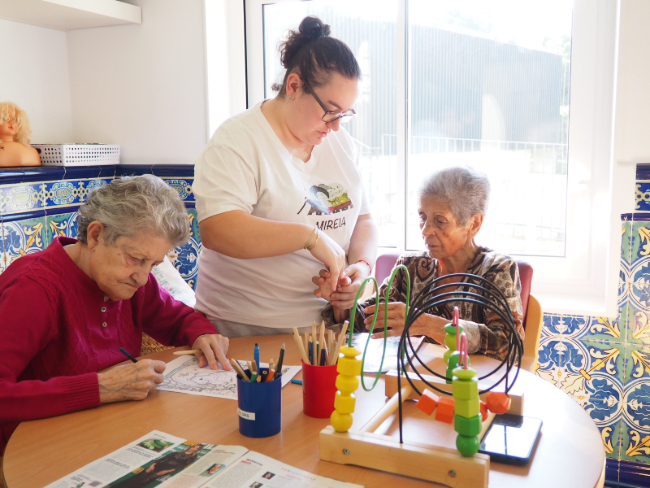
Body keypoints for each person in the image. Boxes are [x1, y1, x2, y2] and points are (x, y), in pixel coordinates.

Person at [0, 175, 230, 455]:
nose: (144, 278)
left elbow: (179, 319)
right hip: (38, 450)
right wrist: (99, 387)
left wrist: (202, 333)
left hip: (110, 434)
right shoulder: (34, 289)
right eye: (136, 258)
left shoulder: (129, 282)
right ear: (96, 235)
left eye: (154, 264)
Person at [193, 16, 378, 337]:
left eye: (345, 115)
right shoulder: (238, 139)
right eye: (330, 110)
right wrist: (309, 237)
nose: (336, 126)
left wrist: (361, 268)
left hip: (325, 324)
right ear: (294, 86)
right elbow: (217, 229)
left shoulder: (339, 142)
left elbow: (364, 219)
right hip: (246, 327)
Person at [318, 166, 525, 361]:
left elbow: (510, 346)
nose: (426, 231)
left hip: (470, 388)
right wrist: (341, 301)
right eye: (422, 217)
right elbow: (365, 324)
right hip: (411, 384)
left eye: (440, 221)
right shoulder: (409, 268)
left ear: (474, 223)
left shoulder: (497, 269)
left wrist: (424, 324)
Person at [0, 101, 40, 167]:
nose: (12, 122)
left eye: (16, 120)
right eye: (5, 119)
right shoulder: (31, 152)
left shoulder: (31, 151)